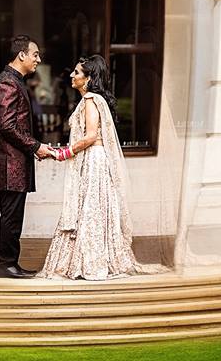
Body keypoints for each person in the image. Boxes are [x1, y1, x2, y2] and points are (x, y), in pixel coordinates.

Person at [37, 54, 162, 281]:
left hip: (94, 160)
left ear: (88, 78)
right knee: (90, 209)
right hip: (91, 159)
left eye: (77, 72)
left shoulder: (90, 101)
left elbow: (92, 136)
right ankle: (92, 257)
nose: (72, 76)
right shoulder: (91, 100)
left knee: (89, 209)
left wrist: (64, 153)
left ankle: (91, 261)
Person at [0, 35, 53, 278]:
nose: (38, 59)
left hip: (12, 163)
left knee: (13, 217)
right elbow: (6, 126)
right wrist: (36, 146)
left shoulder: (14, 81)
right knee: (11, 218)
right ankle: (6, 265)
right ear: (21, 55)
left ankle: (10, 263)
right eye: (35, 55)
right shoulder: (7, 83)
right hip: (8, 164)